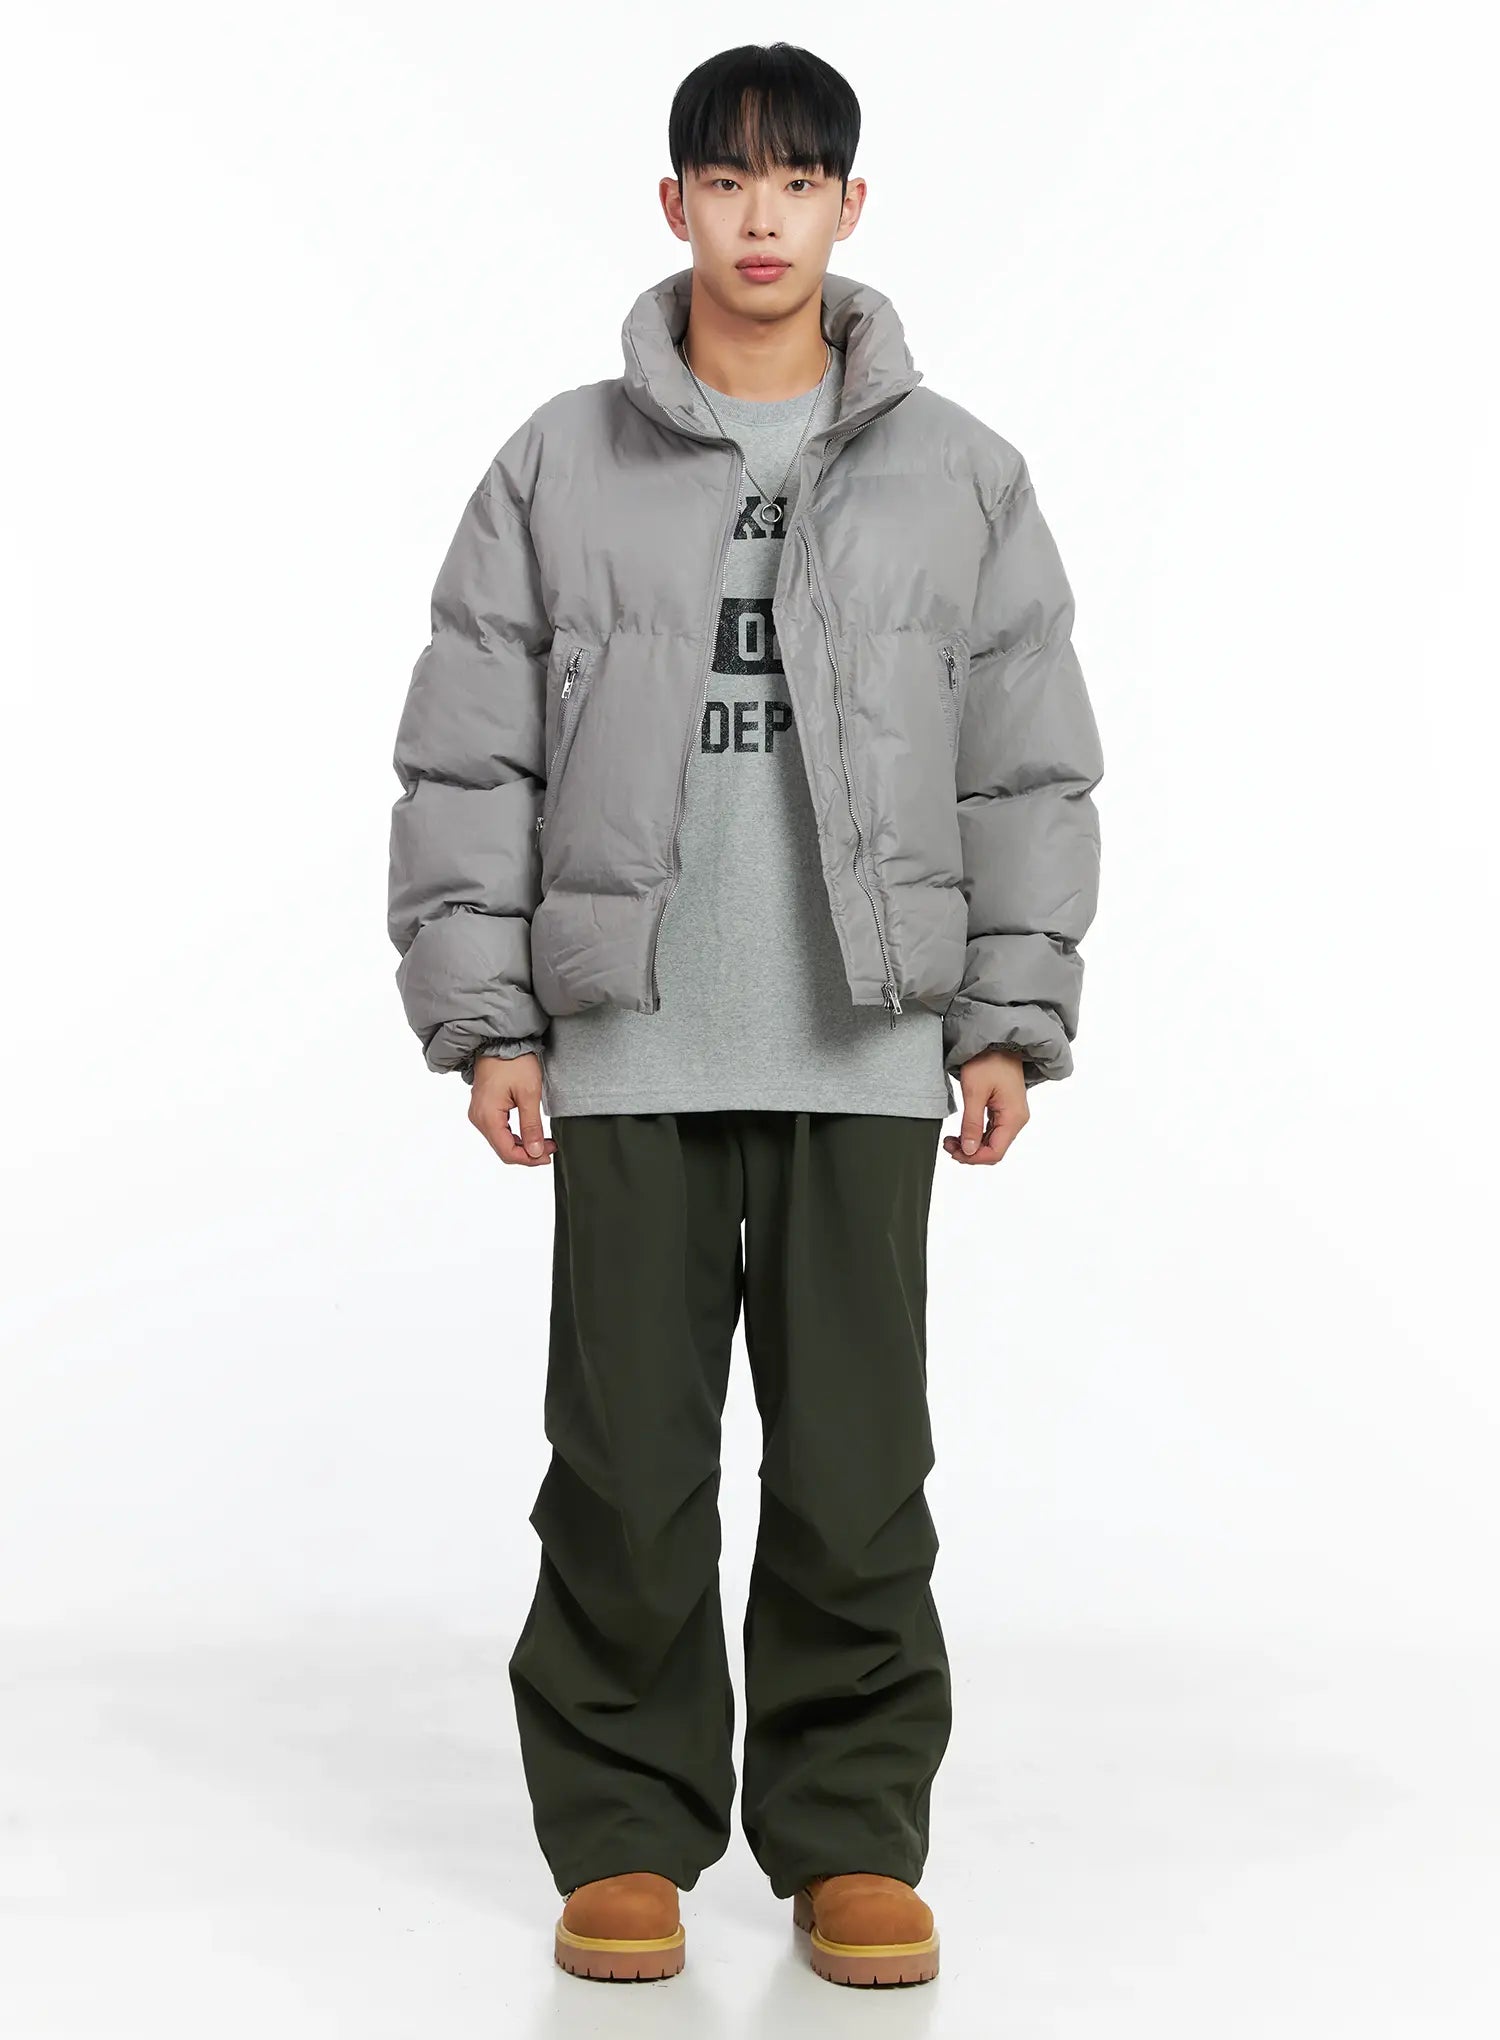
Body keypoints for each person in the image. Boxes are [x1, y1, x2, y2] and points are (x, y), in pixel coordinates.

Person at [386, 41, 1103, 1989]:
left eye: (798, 181)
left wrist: (1004, 1017)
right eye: (727, 179)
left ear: (851, 209)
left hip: (865, 1046)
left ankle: (850, 1830)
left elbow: (1026, 763)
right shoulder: (559, 463)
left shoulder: (963, 476)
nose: (762, 216)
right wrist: (491, 1019)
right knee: (626, 1466)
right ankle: (624, 1829)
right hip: (625, 1042)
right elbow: (468, 754)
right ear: (675, 204)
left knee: (858, 1468)